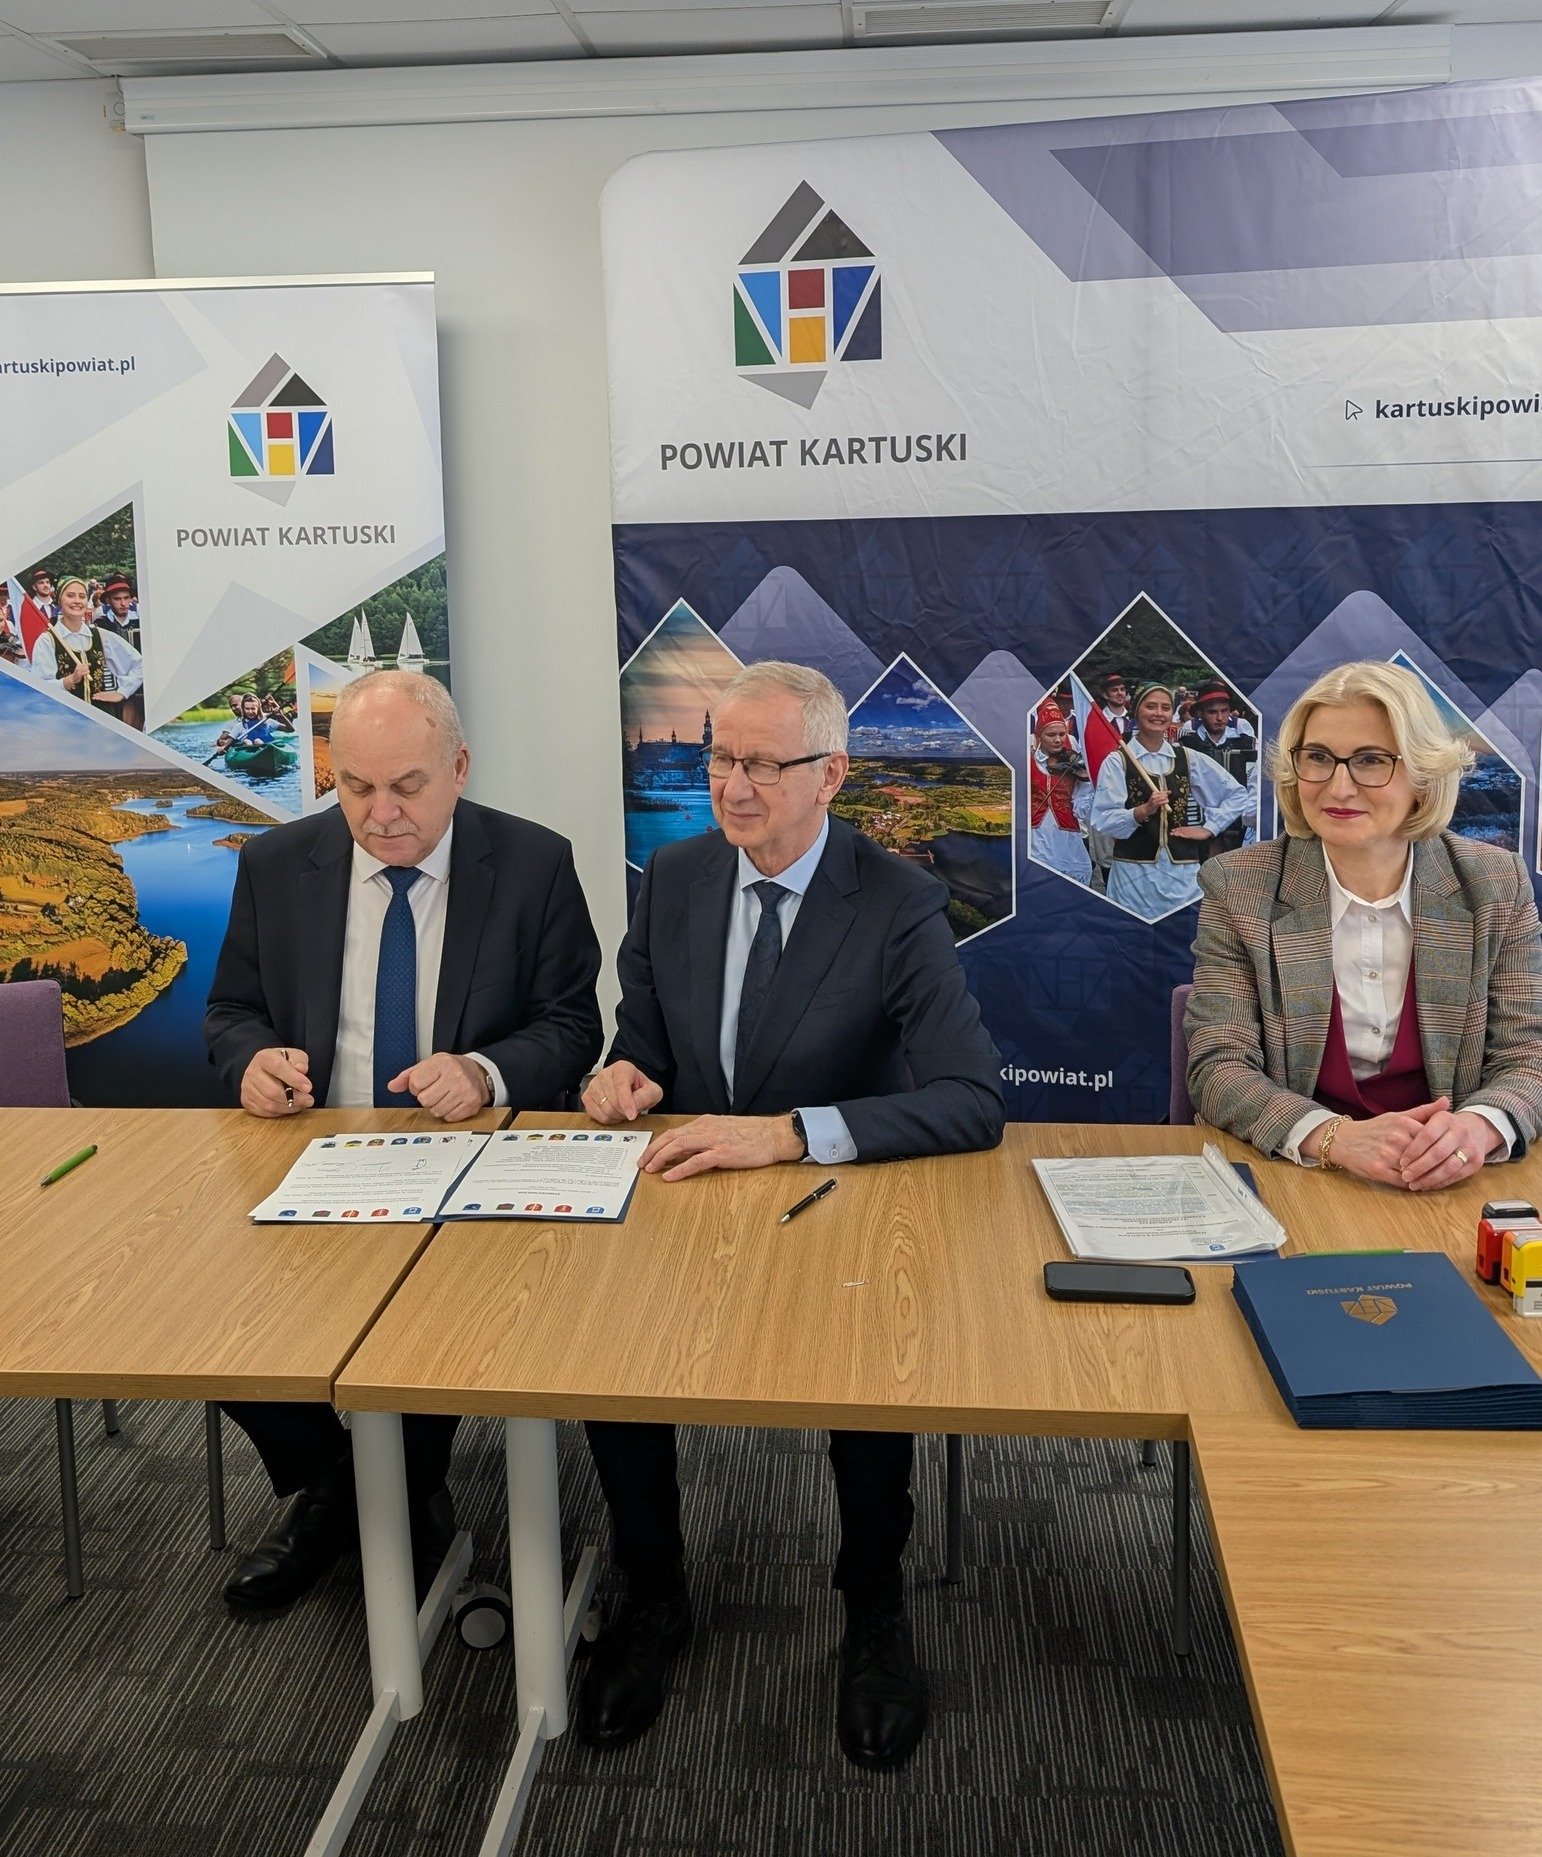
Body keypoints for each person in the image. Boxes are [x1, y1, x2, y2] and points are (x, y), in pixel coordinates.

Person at [578, 659, 1004, 1772]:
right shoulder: (674, 876)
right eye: (721, 758)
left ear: (832, 775)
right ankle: (652, 1591)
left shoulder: (896, 899)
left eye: (765, 765)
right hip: (688, 1195)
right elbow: (643, 1040)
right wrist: (621, 1076)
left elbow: (972, 1100)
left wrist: (791, 1132)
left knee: (865, 1375)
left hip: (833, 1205)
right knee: (611, 1357)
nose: (734, 787)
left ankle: (873, 1606)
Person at [204, 670, 603, 1614]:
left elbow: (572, 1025)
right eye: (356, 786)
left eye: (407, 787)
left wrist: (486, 1071)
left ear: (459, 768)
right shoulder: (276, 865)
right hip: (315, 1159)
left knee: (440, 1321)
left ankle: (362, 1499)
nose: (380, 814)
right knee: (210, 1320)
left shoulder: (534, 863)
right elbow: (229, 1011)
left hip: (466, 1167)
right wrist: (252, 1060)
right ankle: (350, 1488)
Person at [1186, 660, 1542, 1187]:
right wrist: (1333, 1137)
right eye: (1318, 758)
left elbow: (1527, 1056)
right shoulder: (1240, 887)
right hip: (1294, 1175)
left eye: (1371, 760)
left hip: (1449, 1183)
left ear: (1424, 776)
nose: (1339, 787)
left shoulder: (1495, 885)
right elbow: (1219, 1065)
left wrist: (1478, 1127)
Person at [1091, 681, 1248, 919]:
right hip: (1134, 877)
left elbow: (1237, 794)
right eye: (1151, 706)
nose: (1159, 713)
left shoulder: (1186, 757)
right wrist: (1142, 811)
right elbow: (1103, 819)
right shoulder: (1118, 761)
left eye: (1165, 708)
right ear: (1137, 711)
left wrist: (1209, 828)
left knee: (1184, 934)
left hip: (1182, 876)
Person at [29, 575, 143, 725]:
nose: (77, 601)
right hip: (66, 720)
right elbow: (39, 689)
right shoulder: (48, 640)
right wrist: (70, 680)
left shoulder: (100, 635)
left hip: (102, 720)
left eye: (82, 596)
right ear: (59, 600)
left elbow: (140, 664)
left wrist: (122, 692)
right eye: (70, 595)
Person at [1180, 679, 1258, 857]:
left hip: (1239, 821)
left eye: (1224, 711)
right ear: (1200, 714)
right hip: (1200, 820)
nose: (1220, 718)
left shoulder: (1246, 740)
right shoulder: (1188, 741)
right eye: (1212, 712)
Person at [1030, 697, 1093, 885]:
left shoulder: (1073, 764)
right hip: (1035, 837)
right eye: (1051, 735)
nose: (1058, 740)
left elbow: (1082, 809)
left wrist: (1090, 785)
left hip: (1066, 835)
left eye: (1062, 734)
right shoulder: (1027, 762)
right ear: (1039, 736)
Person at [1098, 670, 1134, 740]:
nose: (1120, 693)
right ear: (1105, 695)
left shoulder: (1133, 717)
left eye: (1122, 689)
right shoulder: (1099, 720)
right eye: (1114, 690)